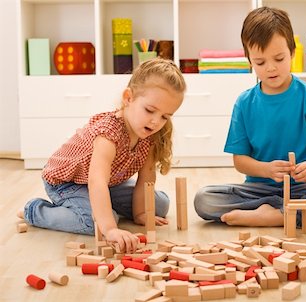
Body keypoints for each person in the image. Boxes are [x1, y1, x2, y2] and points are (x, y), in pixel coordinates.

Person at [194, 7, 306, 229]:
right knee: (204, 199)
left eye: (278, 58)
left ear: (292, 53)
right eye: (260, 62)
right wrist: (266, 170)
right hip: (259, 190)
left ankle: (279, 215)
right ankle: (288, 213)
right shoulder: (244, 103)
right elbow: (240, 161)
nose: (270, 68)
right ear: (249, 60)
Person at [19, 58, 186, 253]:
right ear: (128, 98)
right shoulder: (108, 133)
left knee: (158, 205)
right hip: (66, 183)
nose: (156, 121)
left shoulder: (149, 133)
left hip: (107, 183)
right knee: (96, 224)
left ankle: (104, 207)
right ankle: (34, 211)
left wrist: (141, 213)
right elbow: (96, 181)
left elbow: (146, 177)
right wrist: (110, 229)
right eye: (150, 110)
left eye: (165, 116)